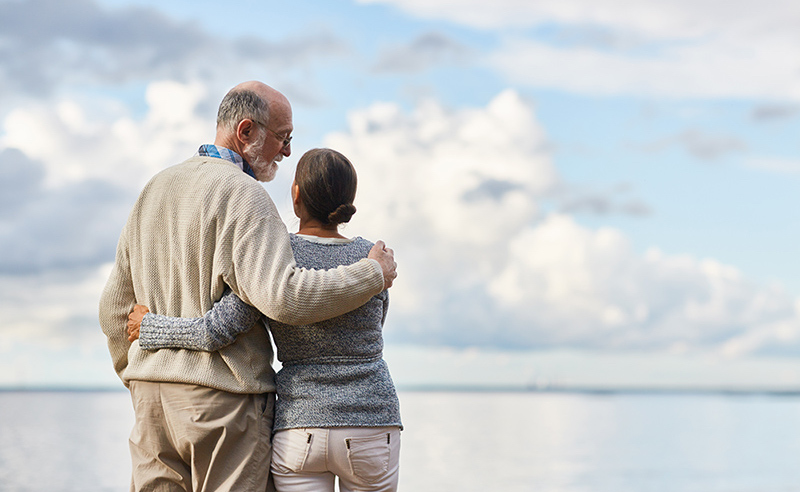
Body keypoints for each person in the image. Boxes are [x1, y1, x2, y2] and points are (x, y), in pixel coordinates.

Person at [98, 82, 397, 492]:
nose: (287, 152)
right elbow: (283, 296)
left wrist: (140, 376)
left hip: (152, 401)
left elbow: (114, 309)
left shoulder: (154, 188)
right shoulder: (245, 195)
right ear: (246, 131)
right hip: (223, 405)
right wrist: (371, 274)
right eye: (283, 137)